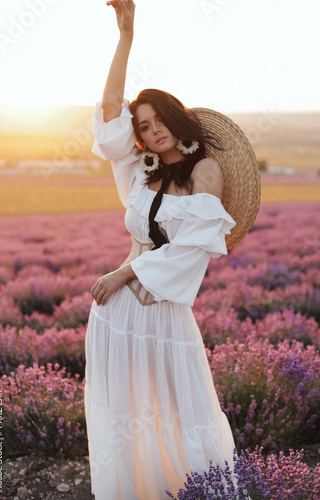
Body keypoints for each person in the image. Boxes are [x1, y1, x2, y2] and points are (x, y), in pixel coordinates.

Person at [84, 1, 260, 499]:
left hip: (161, 312)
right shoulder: (139, 173)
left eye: (159, 118)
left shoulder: (205, 172)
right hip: (116, 316)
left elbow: (194, 250)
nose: (151, 128)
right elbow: (108, 110)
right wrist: (126, 36)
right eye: (143, 124)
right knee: (124, 420)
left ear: (176, 119)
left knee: (181, 413)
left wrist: (123, 273)